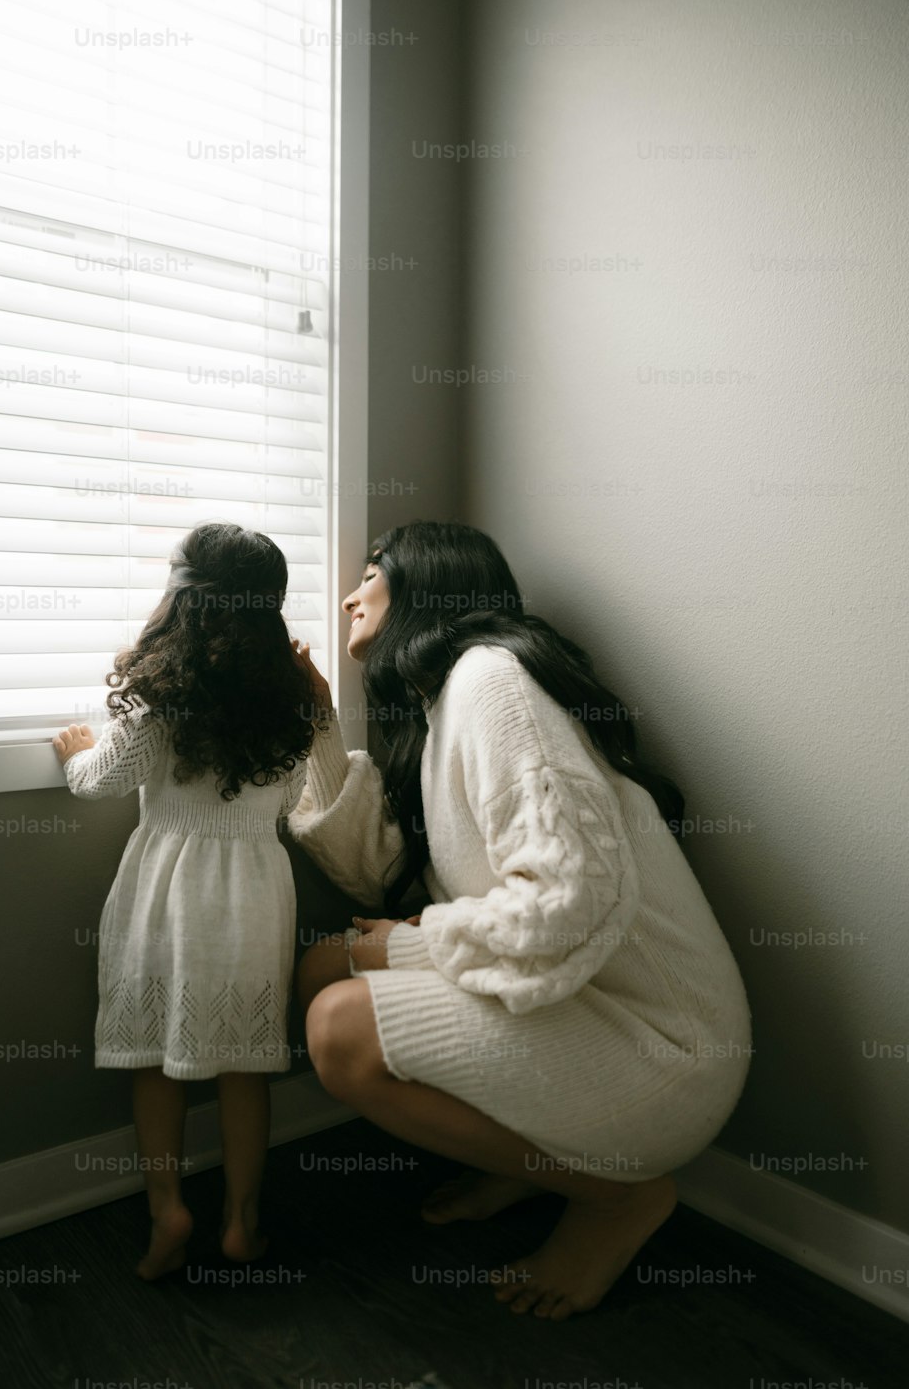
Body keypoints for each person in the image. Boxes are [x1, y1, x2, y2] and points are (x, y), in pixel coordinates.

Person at [288, 520, 752, 1322]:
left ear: (427, 581)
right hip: (581, 1000)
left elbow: (567, 894)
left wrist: (409, 944)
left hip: (667, 1047)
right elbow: (377, 868)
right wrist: (318, 721)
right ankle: (533, 1155)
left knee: (339, 1025)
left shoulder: (490, 681)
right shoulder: (442, 715)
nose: (349, 594)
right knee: (325, 966)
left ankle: (615, 1196)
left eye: (371, 573)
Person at [53, 523, 319, 1279]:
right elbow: (292, 796)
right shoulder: (295, 697)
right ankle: (242, 1221)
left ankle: (168, 1207)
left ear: (181, 595)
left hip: (165, 885)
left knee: (153, 1063)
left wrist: (75, 751)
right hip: (256, 889)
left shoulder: (159, 691)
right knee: (245, 1065)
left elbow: (101, 779)